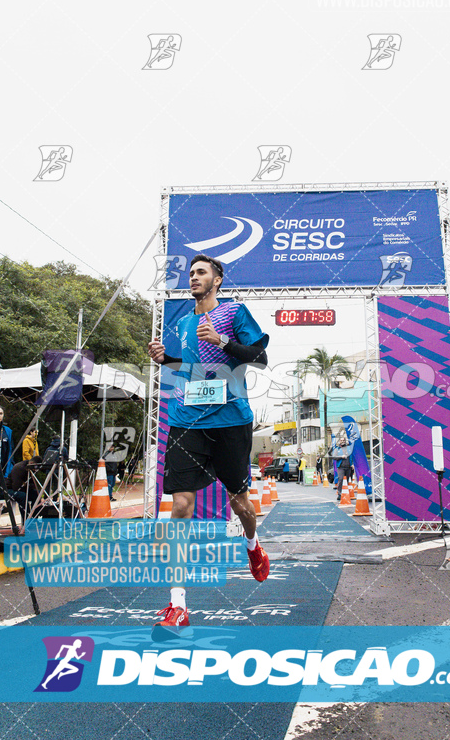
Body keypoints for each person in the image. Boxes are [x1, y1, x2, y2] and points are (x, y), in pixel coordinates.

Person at [148, 253, 270, 636]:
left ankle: (253, 545)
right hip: (187, 420)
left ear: (218, 279)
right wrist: (164, 358)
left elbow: (260, 357)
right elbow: (189, 367)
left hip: (230, 420)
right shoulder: (184, 322)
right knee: (181, 505)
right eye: (191, 273)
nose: (193, 278)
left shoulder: (234, 313)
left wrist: (223, 340)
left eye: (201, 272)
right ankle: (178, 604)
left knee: (240, 504)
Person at [5, 457, 40, 524]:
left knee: (37, 494)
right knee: (22, 496)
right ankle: (27, 520)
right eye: (35, 468)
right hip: (9, 489)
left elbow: (32, 484)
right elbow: (16, 487)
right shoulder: (19, 468)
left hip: (22, 488)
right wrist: (27, 486)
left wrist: (27, 485)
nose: (35, 470)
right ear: (32, 463)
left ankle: (34, 519)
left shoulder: (30, 468)